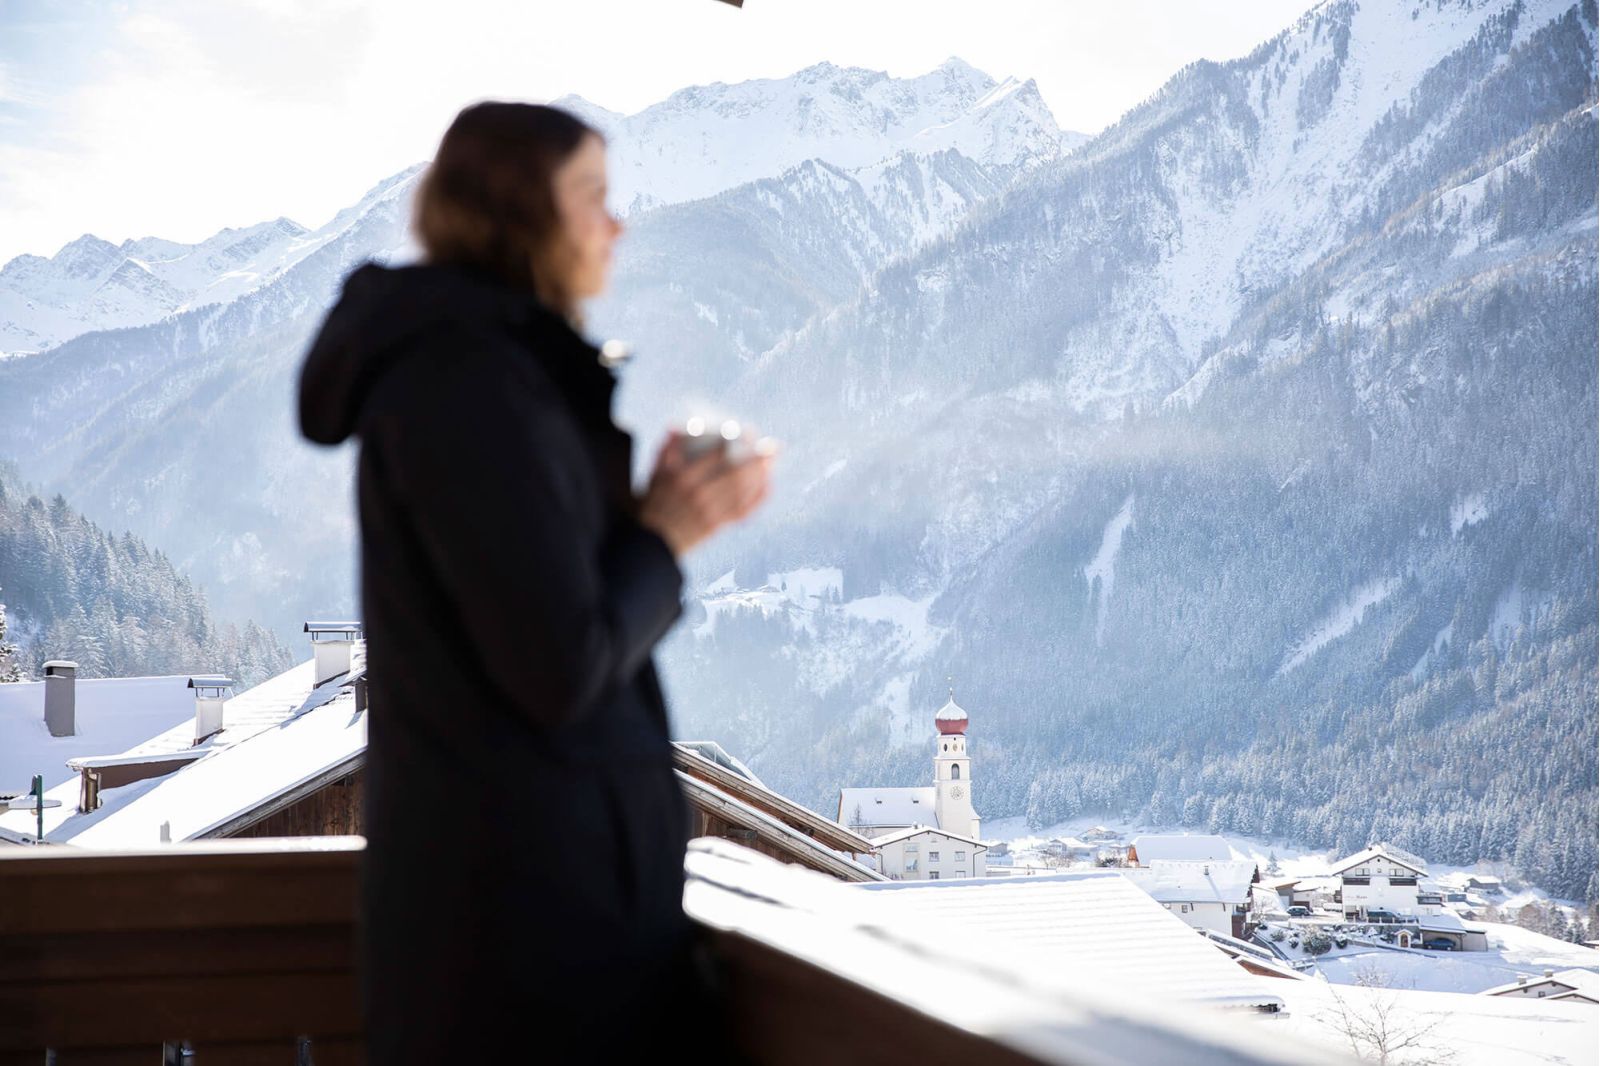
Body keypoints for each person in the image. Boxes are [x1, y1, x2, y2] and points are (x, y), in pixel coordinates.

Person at [296, 101, 772, 1063]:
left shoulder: (493, 373)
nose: (617, 224)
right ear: (520, 214)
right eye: (593, 196)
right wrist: (669, 532)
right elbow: (557, 665)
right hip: (523, 962)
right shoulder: (467, 385)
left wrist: (645, 529)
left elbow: (541, 623)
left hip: (532, 937)